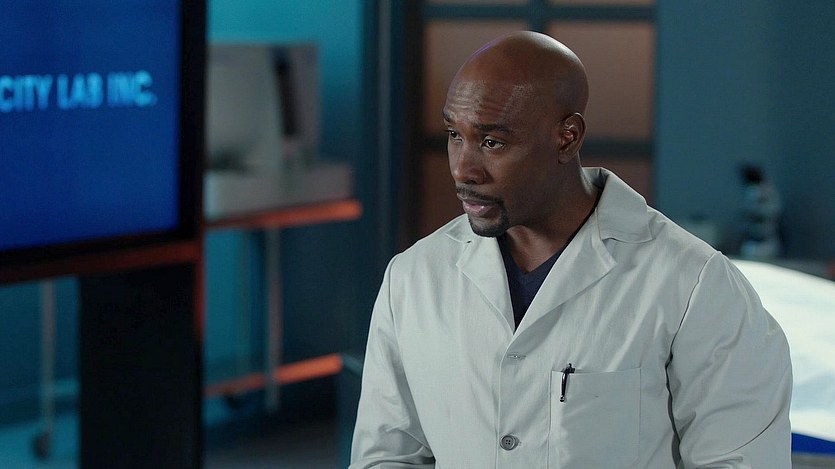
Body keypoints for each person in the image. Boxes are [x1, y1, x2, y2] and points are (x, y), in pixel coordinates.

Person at [350, 31, 792, 468]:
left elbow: (741, 460)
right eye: (454, 134)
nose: (463, 169)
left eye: (492, 142)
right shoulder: (414, 277)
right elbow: (387, 457)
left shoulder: (694, 284)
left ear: (567, 137)